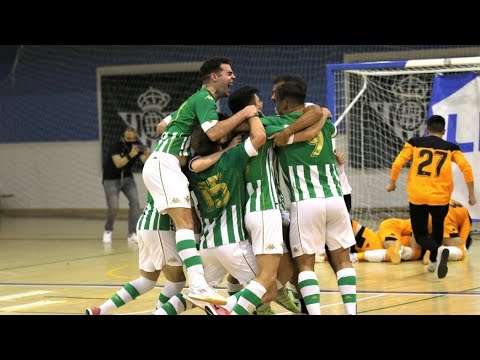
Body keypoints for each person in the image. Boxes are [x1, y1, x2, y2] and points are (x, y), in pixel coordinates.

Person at [142, 57, 258, 304]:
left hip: (165, 163)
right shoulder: (204, 99)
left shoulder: (191, 101)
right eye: (229, 73)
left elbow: (160, 127)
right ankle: (197, 284)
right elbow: (215, 132)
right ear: (214, 76)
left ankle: (195, 285)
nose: (233, 77)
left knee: (188, 224)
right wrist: (246, 113)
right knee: (185, 223)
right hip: (165, 163)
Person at [264, 81, 357, 315]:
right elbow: (320, 116)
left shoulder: (276, 123)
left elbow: (258, 130)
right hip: (336, 199)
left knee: (305, 265)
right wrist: (323, 113)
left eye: (276, 99)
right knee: (343, 260)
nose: (273, 103)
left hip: (305, 202)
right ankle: (351, 312)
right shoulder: (325, 124)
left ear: (284, 102)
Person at [386, 114, 476, 279]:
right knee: (437, 227)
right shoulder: (451, 147)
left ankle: (436, 252)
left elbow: (398, 162)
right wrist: (471, 194)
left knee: (420, 236)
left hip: (418, 196)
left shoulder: (414, 143)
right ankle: (436, 256)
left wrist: (392, 183)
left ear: (427, 130)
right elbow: (467, 169)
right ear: (444, 131)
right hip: (440, 197)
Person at [86, 193, 188, 315]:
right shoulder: (176, 174)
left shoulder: (157, 174)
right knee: (177, 281)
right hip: (160, 226)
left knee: (147, 281)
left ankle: (101, 310)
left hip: (146, 223)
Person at [102, 126, 151, 244]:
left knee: (135, 203)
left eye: (133, 138)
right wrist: (131, 154)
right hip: (111, 179)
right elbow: (118, 163)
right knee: (113, 206)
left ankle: (132, 233)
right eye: (128, 138)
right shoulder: (116, 146)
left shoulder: (137, 144)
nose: (131, 140)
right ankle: (108, 230)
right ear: (123, 137)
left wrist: (148, 154)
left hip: (128, 178)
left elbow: (145, 160)